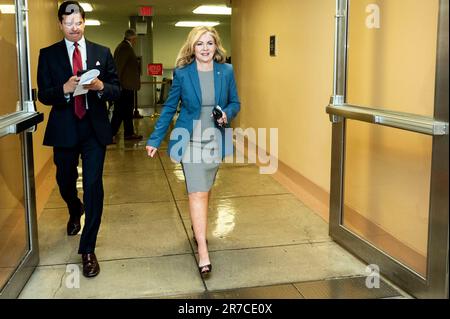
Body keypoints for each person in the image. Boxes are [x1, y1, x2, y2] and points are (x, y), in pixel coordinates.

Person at [146, 26, 240, 277]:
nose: (205, 48)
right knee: (197, 193)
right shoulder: (183, 73)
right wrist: (155, 139)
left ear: (216, 46)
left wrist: (226, 114)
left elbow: (235, 102)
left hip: (215, 139)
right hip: (189, 141)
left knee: (205, 191)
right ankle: (203, 251)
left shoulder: (226, 71)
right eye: (199, 44)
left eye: (209, 43)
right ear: (192, 48)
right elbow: (169, 107)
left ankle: (197, 228)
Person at [37, 1, 120, 278]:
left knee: (94, 185)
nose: (74, 27)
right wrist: (64, 88)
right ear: (60, 24)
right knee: (64, 180)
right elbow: (44, 95)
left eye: (79, 22)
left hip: (94, 130)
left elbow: (116, 89)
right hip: (65, 129)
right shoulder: (48, 55)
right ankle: (75, 207)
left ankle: (87, 249)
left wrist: (100, 87)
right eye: (68, 23)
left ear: (84, 22)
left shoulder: (102, 52)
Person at [111, 29, 142, 141]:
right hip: (124, 87)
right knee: (119, 111)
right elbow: (119, 67)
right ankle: (110, 134)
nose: (135, 41)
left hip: (126, 86)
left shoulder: (124, 47)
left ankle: (129, 133)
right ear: (132, 38)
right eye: (135, 39)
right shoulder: (124, 48)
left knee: (127, 111)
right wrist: (117, 85)